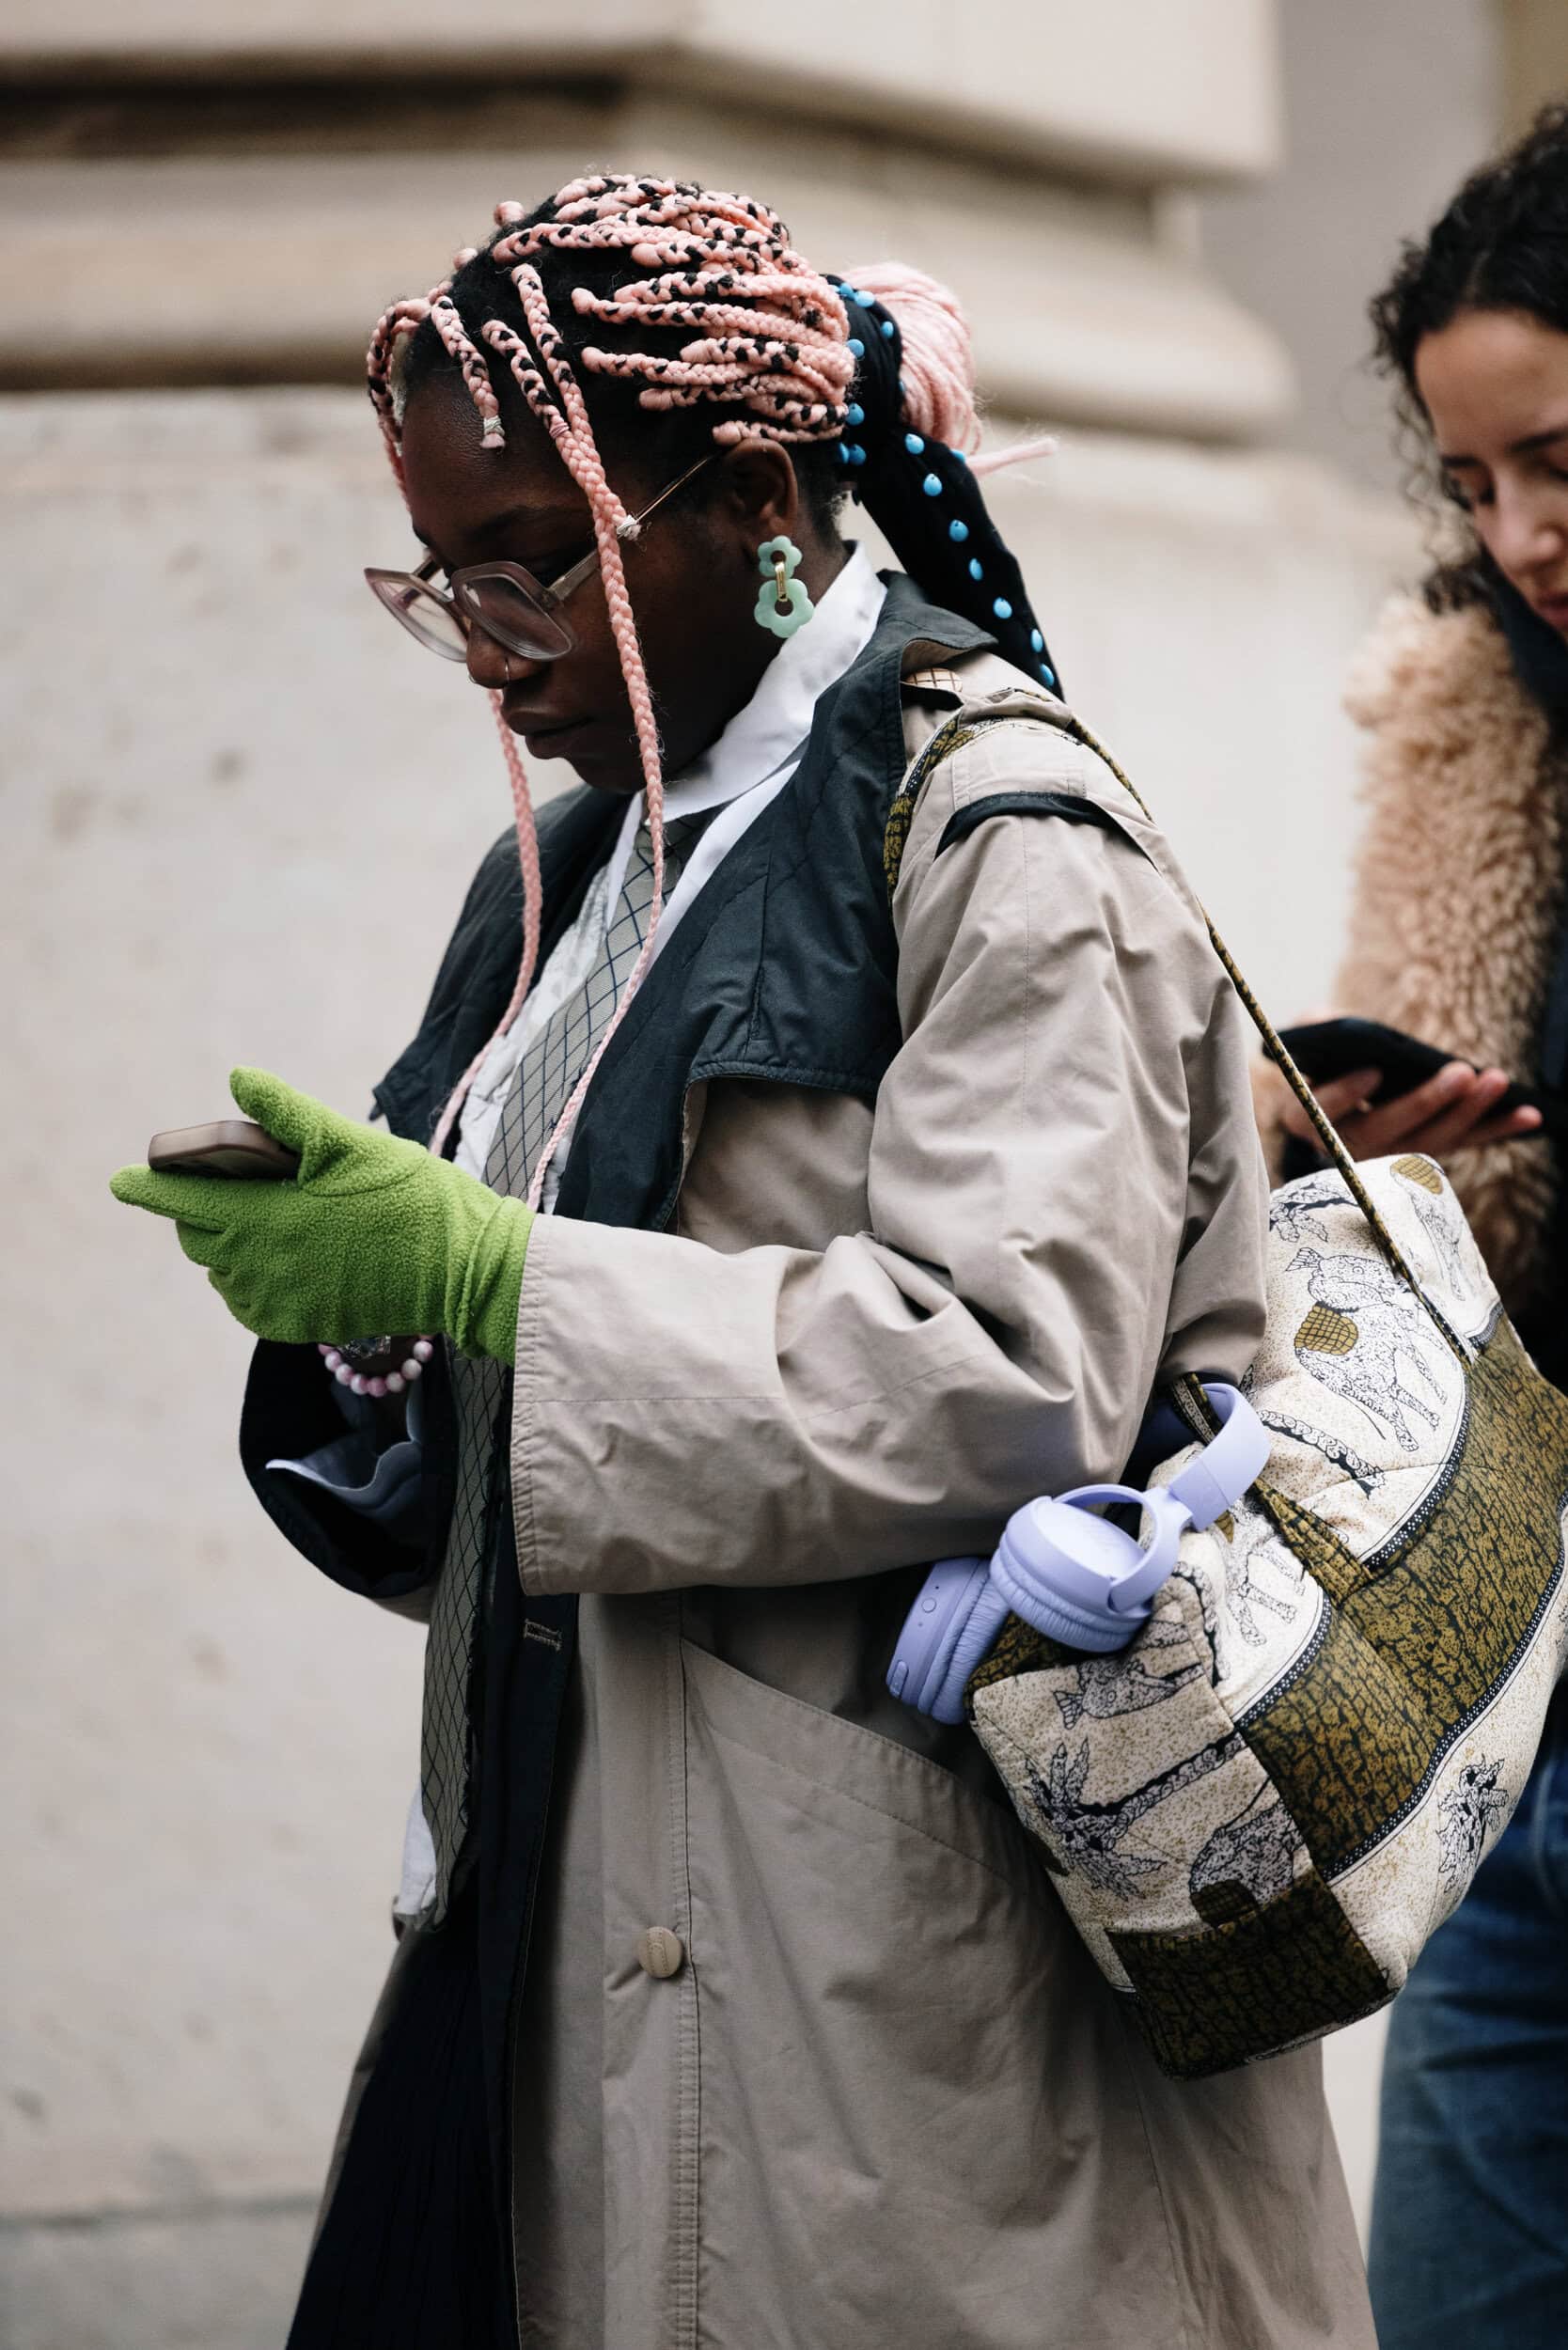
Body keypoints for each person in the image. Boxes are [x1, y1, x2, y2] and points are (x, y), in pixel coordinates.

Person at [113, 175, 1373, 2348]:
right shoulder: (591, 856)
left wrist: (506, 1281)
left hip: (916, 1988)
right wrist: (373, 1343)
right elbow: (527, 1421)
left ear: (762, 499)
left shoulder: (1005, 835)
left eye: (535, 565)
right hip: (587, 1927)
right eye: (445, 582)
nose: (495, 647)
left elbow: (1006, 1368)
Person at [1257, 104, 1568, 2350]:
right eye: (1472, 485)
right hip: (1531, 1692)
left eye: (1559, 458)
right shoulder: (1474, 728)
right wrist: (1305, 1135)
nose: (1521, 534)